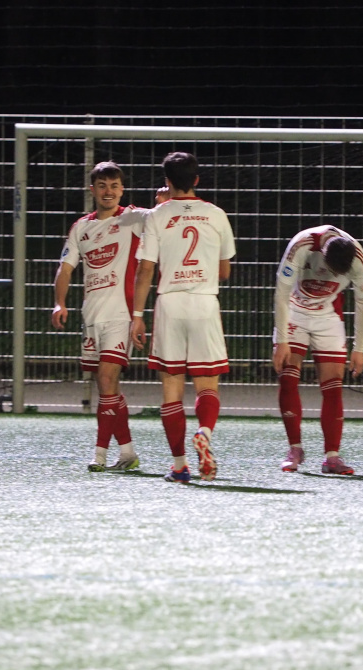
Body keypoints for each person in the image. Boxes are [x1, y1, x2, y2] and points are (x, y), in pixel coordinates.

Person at [52, 162, 164, 472]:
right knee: (108, 389)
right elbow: (65, 268)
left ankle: (99, 455)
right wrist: (59, 303)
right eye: (102, 185)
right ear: (92, 190)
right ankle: (127, 453)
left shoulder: (131, 218)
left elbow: (161, 215)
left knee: (106, 379)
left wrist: (164, 201)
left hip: (121, 315)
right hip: (92, 316)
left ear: (122, 190)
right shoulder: (81, 227)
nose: (108, 191)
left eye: (114, 186)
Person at [130, 152, 236, 483]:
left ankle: (179, 466)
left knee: (172, 388)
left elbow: (146, 269)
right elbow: (225, 271)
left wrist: (137, 315)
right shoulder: (216, 214)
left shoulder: (157, 215)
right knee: (207, 384)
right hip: (204, 303)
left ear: (167, 181)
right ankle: (204, 431)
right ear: (197, 180)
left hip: (170, 305)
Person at [272, 226, 363, 475]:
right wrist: (282, 340)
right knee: (288, 378)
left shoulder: (358, 259)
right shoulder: (302, 245)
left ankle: (332, 457)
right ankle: (295, 449)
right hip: (295, 311)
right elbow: (282, 292)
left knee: (333, 386)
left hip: (328, 316)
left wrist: (359, 348)